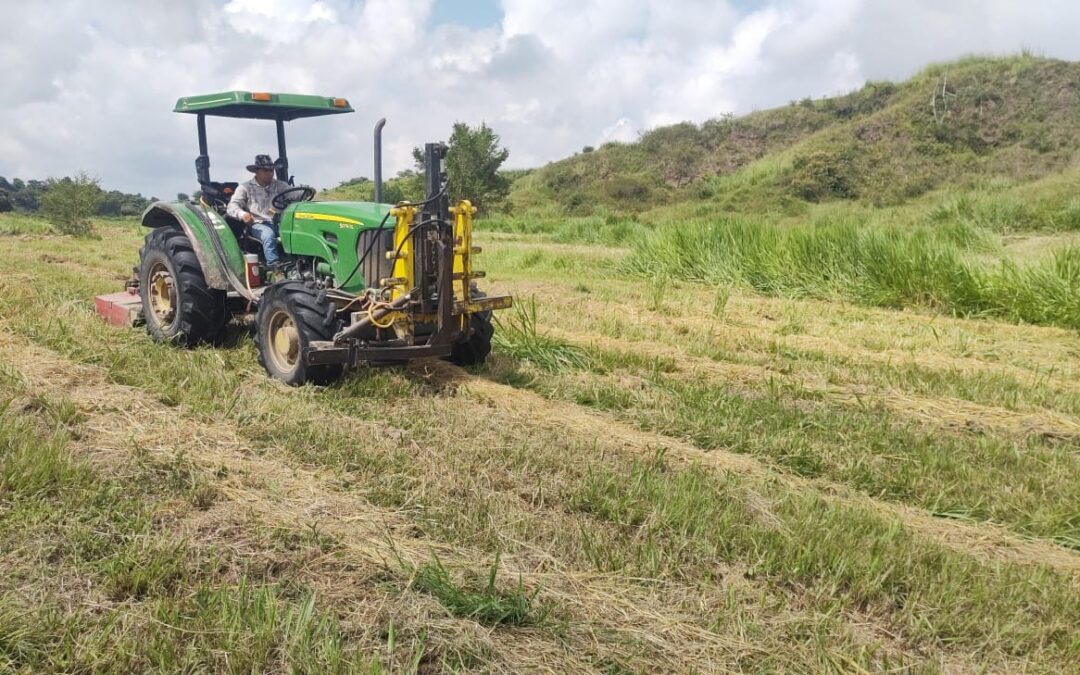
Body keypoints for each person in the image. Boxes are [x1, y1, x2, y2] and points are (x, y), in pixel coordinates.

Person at [226, 154, 290, 267]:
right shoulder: (245, 187)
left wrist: (306, 192)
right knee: (268, 235)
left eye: (271, 170)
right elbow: (232, 207)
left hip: (280, 222)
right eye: (265, 170)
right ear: (257, 171)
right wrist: (243, 214)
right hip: (258, 223)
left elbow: (293, 194)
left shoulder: (281, 186)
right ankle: (275, 268)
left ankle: (298, 263)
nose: (270, 173)